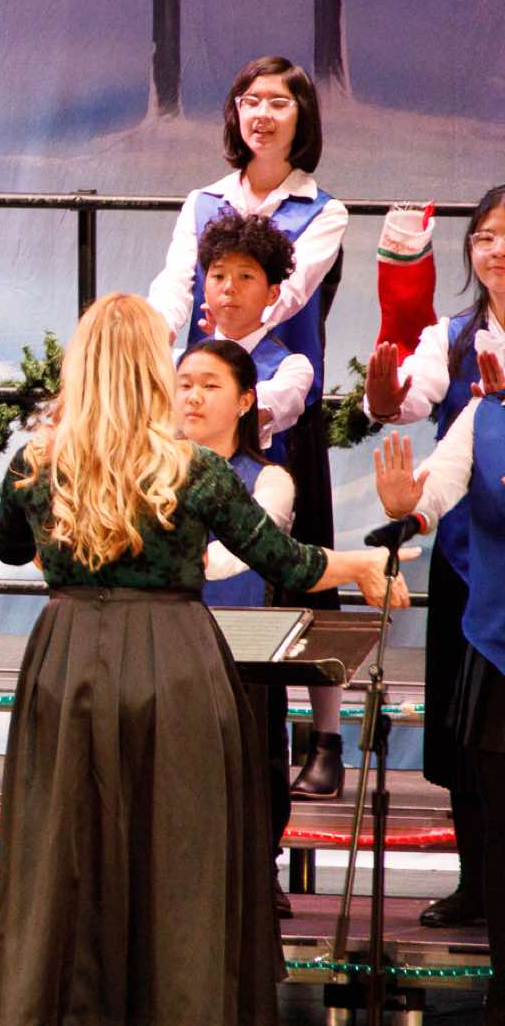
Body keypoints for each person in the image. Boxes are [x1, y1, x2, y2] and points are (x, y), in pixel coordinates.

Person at [0, 294, 406, 1025]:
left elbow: (6, 546)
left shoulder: (37, 463)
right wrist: (364, 563)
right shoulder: (192, 468)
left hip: (68, 659)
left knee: (68, 850)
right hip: (173, 661)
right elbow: (287, 561)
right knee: (179, 851)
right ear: (154, 370)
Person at [144, 56, 352, 799]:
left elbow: (289, 293)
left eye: (278, 102)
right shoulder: (202, 200)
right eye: (250, 100)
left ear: (303, 116)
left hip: (277, 409)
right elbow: (175, 285)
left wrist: (232, 324)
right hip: (202, 402)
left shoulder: (322, 209)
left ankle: (324, 736)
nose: (262, 114)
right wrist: (154, 347)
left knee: (303, 570)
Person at [363, 184, 505, 928]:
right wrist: (384, 397)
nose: (496, 249)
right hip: (467, 568)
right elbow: (406, 403)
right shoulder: (451, 337)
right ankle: (477, 883)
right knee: (465, 738)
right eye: (484, 236)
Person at [374, 389, 505, 1020]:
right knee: (501, 833)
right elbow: (440, 486)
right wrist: (409, 507)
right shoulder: (484, 415)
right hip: (499, 649)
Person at [175, 338, 300, 916]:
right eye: (184, 385)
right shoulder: (150, 473)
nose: (193, 397)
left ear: (246, 400)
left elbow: (249, 549)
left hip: (242, 645)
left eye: (210, 386)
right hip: (166, 641)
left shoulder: (269, 478)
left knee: (254, 756)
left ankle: (258, 867)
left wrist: (174, 559)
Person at [189, 210, 312, 462]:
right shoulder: (181, 361)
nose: (229, 287)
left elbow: (250, 413)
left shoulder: (292, 368)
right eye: (218, 276)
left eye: (245, 276)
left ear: (273, 294)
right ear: (205, 289)